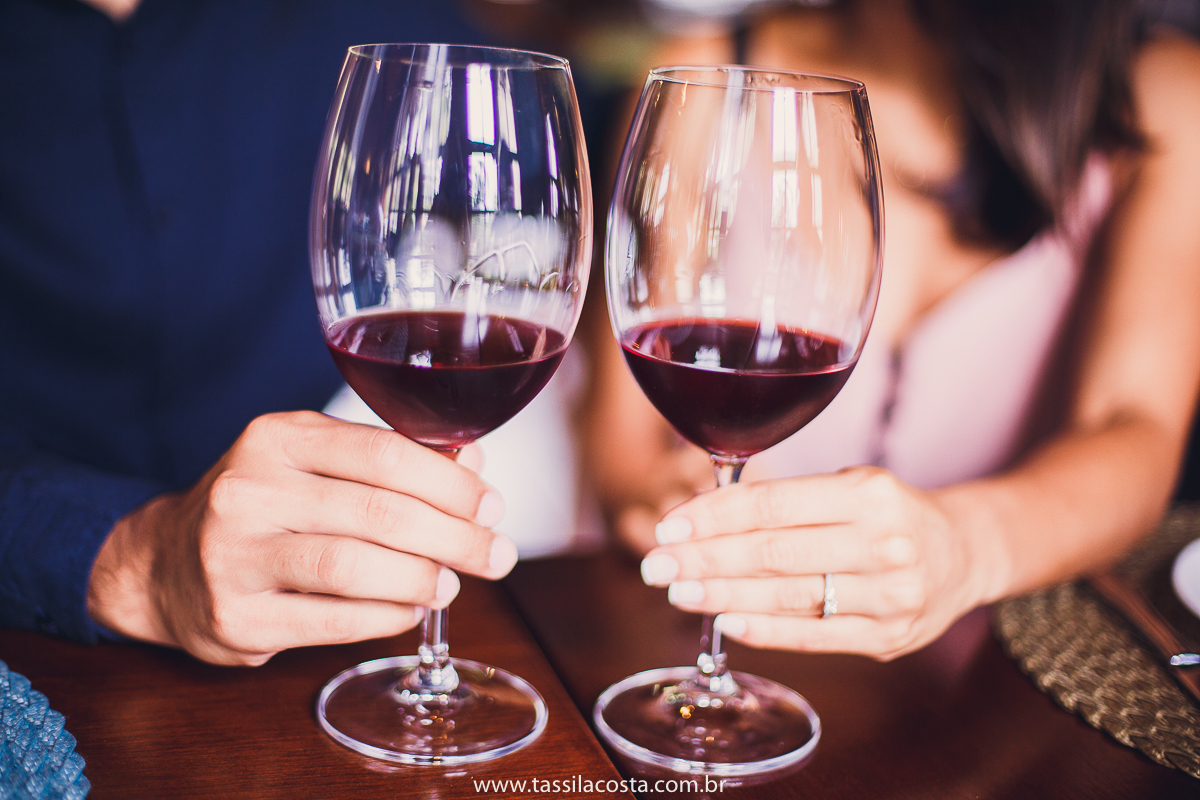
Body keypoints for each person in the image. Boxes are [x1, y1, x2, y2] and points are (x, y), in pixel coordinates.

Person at [585, 0, 1200, 660]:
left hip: (996, 680)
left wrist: (962, 548)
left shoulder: (1167, 99)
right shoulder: (704, 69)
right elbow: (619, 441)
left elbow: (1132, 427)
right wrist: (657, 499)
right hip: (690, 628)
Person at [0, 0, 521, 666]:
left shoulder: (366, 17)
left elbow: (566, 147)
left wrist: (637, 450)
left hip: (306, 649)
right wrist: (143, 558)